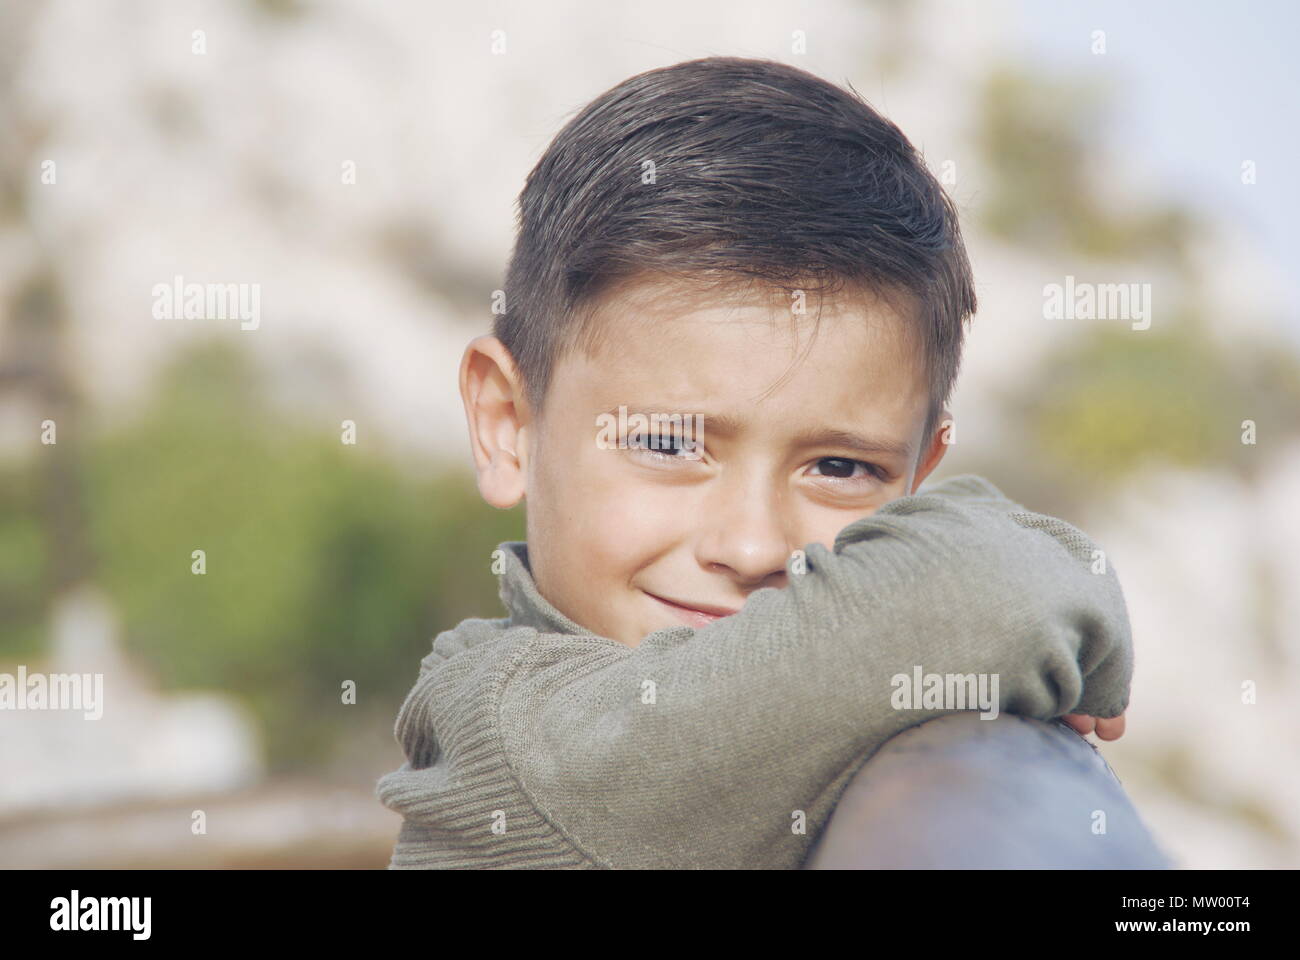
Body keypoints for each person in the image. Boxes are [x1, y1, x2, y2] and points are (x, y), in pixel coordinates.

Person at [375, 56, 1169, 869]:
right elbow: (994, 595)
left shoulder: (790, 705)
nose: (753, 546)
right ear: (508, 424)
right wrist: (1071, 607)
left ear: (918, 475)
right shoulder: (534, 740)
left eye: (838, 467)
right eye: (667, 443)